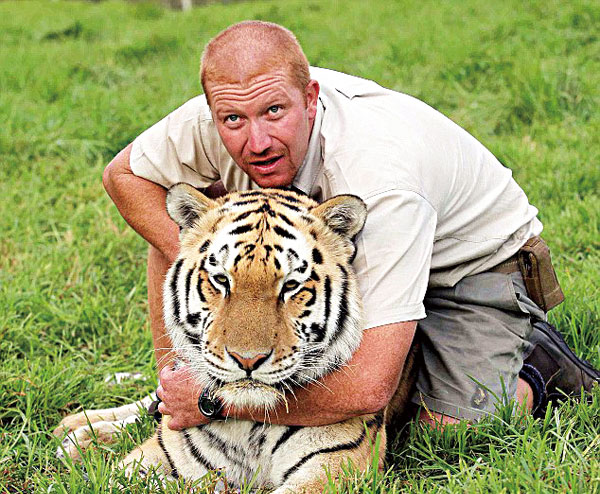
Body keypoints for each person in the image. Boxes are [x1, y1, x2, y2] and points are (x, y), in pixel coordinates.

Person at [102, 21, 599, 431]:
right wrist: (212, 271)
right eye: (233, 120)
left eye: (275, 112)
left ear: (310, 97)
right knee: (197, 236)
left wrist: (215, 403)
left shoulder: (381, 176)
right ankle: (173, 391)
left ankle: (534, 365)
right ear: (215, 113)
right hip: (320, 260)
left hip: (471, 269)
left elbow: (367, 388)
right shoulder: (230, 104)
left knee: (436, 432)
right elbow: (124, 176)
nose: (256, 141)